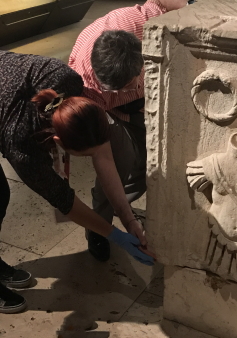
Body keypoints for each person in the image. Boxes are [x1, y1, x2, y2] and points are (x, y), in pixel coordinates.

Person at [68, 0, 226, 262]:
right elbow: (101, 156)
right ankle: (99, 225)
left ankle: (123, 203)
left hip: (144, 101)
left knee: (149, 161)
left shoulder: (134, 23)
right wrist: (125, 111)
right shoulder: (85, 85)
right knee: (120, 160)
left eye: (131, 82)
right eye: (117, 88)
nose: (126, 88)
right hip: (111, 112)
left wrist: (193, 4)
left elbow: (159, 1)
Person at [0, 50, 154, 314]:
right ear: (56, 142)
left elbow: (104, 156)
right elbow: (66, 202)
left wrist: (128, 220)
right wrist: (113, 234)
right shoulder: (24, 148)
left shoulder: (66, 80)